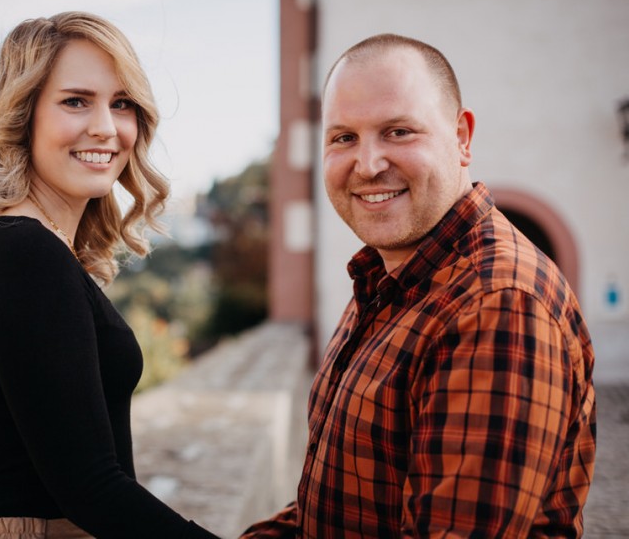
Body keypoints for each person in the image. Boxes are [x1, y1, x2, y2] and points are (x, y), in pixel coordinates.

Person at [241, 34, 596, 537]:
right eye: (343, 138)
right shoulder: (386, 277)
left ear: (462, 138)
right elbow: (332, 508)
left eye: (398, 131)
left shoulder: (498, 305)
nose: (367, 165)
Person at [0, 11, 219, 539]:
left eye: (121, 104)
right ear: (24, 115)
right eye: (76, 101)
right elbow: (90, 485)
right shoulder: (23, 250)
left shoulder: (29, 245)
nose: (105, 127)